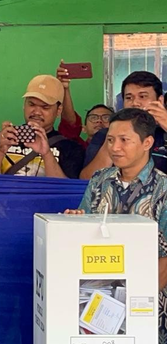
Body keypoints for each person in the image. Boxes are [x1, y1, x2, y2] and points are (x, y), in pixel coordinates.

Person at [64, 108, 167, 342]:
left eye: (124, 140)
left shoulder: (163, 189)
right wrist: (74, 222)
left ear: (147, 142)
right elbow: (86, 226)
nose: (115, 147)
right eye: (110, 140)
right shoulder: (100, 179)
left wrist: (135, 306)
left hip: (147, 304)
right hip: (96, 297)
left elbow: (165, 261)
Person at [0, 75, 85, 178]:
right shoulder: (3, 138)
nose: (36, 112)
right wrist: (0, 151)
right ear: (24, 105)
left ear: (58, 110)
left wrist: (46, 154)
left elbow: (66, 192)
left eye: (45, 107)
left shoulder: (69, 147)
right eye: (31, 104)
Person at [80, 71, 167, 179]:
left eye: (143, 96)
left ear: (160, 100)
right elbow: (87, 180)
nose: (135, 103)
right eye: (129, 98)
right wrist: (114, 138)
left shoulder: (163, 134)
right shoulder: (104, 135)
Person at [57, 63, 114, 149]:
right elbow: (70, 125)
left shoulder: (121, 149)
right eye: (93, 118)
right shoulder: (79, 148)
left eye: (106, 118)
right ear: (84, 128)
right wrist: (65, 88)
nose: (99, 121)